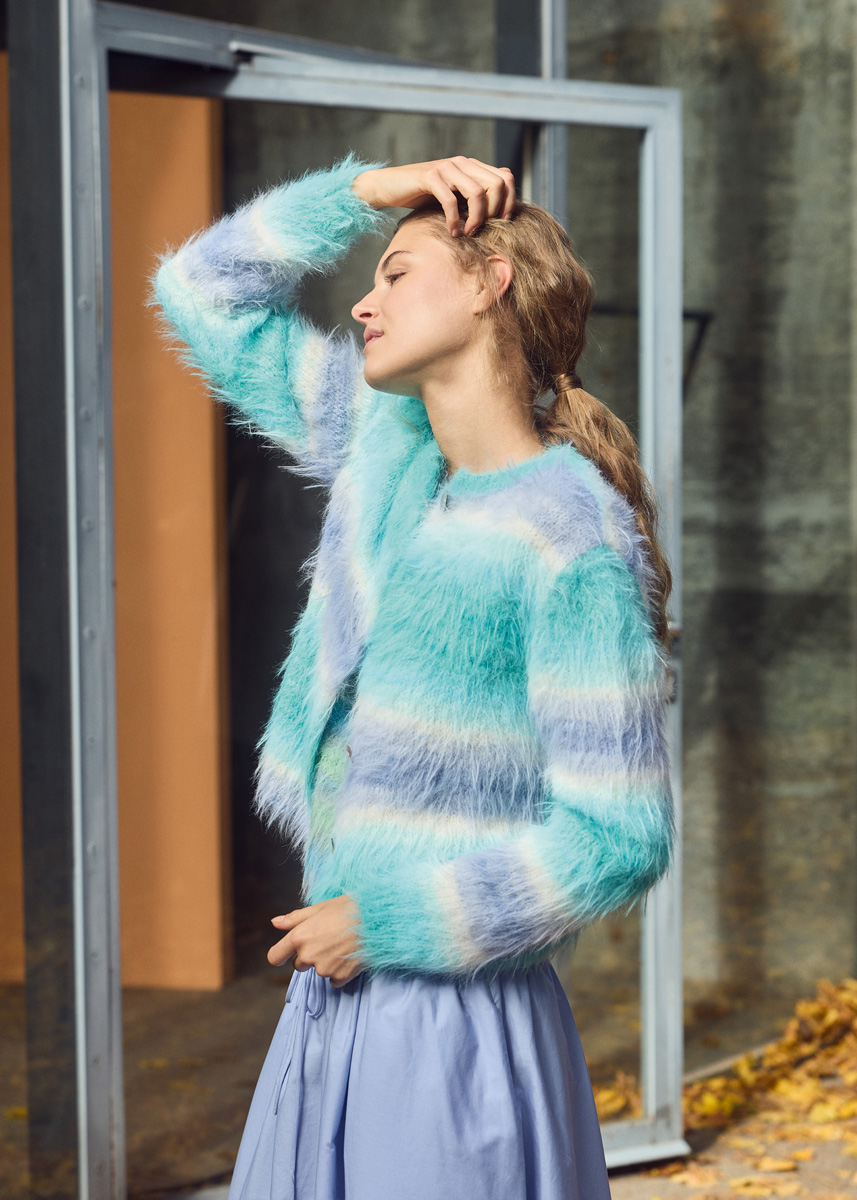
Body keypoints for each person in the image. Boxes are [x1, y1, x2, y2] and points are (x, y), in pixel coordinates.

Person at [149, 152, 676, 1200]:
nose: (361, 303)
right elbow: (198, 290)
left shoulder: (568, 537)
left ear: (490, 285)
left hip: (454, 1024)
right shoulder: (382, 452)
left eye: (394, 275)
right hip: (334, 1005)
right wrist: (366, 193)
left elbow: (618, 838)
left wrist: (383, 924)